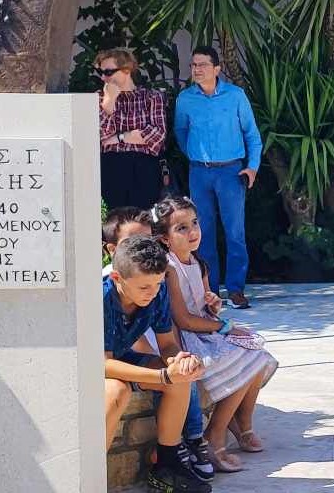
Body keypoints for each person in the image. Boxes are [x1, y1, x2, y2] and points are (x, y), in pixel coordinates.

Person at [150, 196, 279, 469]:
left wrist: (213, 307)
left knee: (259, 354)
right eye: (181, 228)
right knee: (248, 359)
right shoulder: (170, 269)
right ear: (164, 238)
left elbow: (203, 310)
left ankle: (243, 423)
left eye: (194, 223)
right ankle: (215, 434)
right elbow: (183, 319)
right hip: (190, 340)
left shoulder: (199, 264)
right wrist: (225, 326)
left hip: (205, 331)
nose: (192, 232)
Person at [102, 207, 211, 476]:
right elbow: (101, 365)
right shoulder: (102, 298)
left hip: (123, 358)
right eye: (143, 288)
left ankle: (167, 461)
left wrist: (179, 361)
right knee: (118, 392)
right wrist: (164, 375)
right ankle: (91, 473)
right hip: (94, 366)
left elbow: (167, 344)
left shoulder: (157, 290)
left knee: (181, 377)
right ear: (117, 278)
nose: (152, 293)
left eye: (157, 285)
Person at [174, 44, 262, 310]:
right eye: (193, 65)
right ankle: (209, 291)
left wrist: (252, 167)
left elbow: (252, 136)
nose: (196, 70)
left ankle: (236, 290)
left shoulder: (236, 96)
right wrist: (193, 154)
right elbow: (181, 131)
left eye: (202, 65)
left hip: (231, 172)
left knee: (235, 232)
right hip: (199, 172)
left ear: (217, 69)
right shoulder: (185, 99)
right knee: (202, 232)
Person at [96, 47, 167, 212]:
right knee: (113, 222)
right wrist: (109, 102)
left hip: (144, 167)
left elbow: (157, 136)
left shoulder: (151, 97)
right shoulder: (99, 98)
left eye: (108, 72)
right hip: (110, 166)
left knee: (143, 218)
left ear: (126, 70)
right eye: (101, 72)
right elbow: (97, 136)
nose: (103, 77)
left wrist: (118, 137)